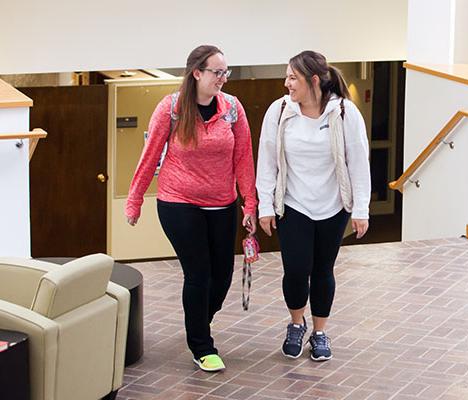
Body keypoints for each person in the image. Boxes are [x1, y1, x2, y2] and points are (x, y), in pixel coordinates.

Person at [126, 45, 257, 372]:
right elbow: (151, 155)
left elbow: (243, 158)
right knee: (199, 273)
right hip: (178, 201)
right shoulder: (170, 108)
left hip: (222, 202)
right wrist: (135, 199)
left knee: (221, 277)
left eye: (226, 72)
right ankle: (201, 345)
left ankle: (198, 319)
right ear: (197, 73)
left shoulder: (232, 109)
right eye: (217, 72)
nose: (223, 79)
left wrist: (250, 204)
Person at [256, 50, 370, 361]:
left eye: (293, 77)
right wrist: (264, 205)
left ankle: (319, 332)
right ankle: (296, 324)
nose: (287, 83)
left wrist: (361, 209)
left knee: (323, 270)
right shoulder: (279, 111)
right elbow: (266, 161)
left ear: (313, 81)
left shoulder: (345, 113)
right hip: (292, 204)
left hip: (333, 207)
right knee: (295, 270)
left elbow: (359, 163)